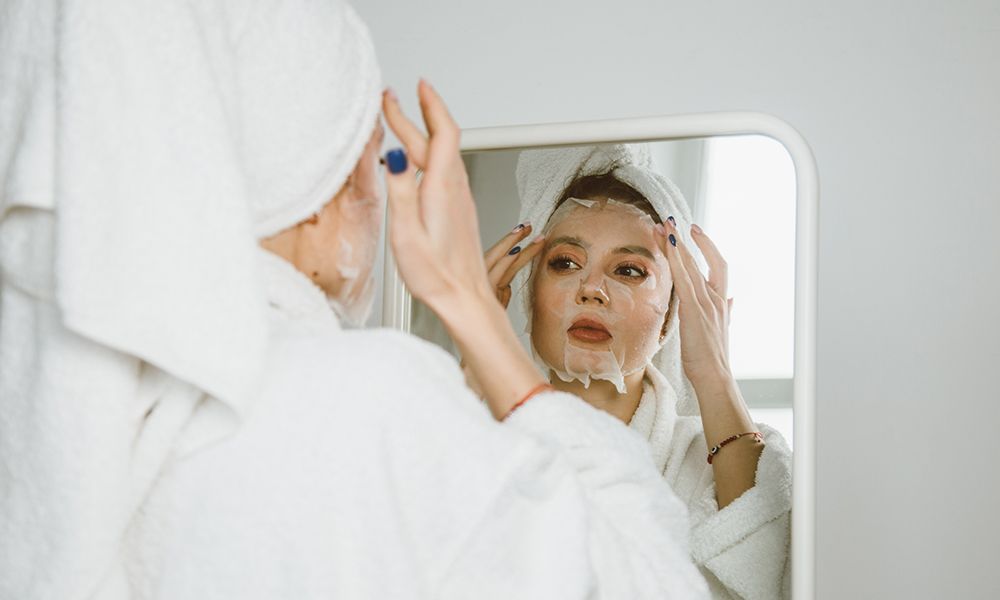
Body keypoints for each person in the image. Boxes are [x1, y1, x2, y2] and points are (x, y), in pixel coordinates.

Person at [0, 1, 711, 598]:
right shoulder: (367, 399)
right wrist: (469, 304)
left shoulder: (63, 410)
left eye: (629, 270)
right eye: (373, 158)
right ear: (318, 192)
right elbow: (650, 582)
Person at [480, 144, 793, 600]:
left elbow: (767, 578)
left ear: (672, 313)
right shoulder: (477, 440)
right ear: (528, 291)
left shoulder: (722, 462)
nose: (592, 289)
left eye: (628, 270)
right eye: (565, 263)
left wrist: (713, 372)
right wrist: (475, 344)